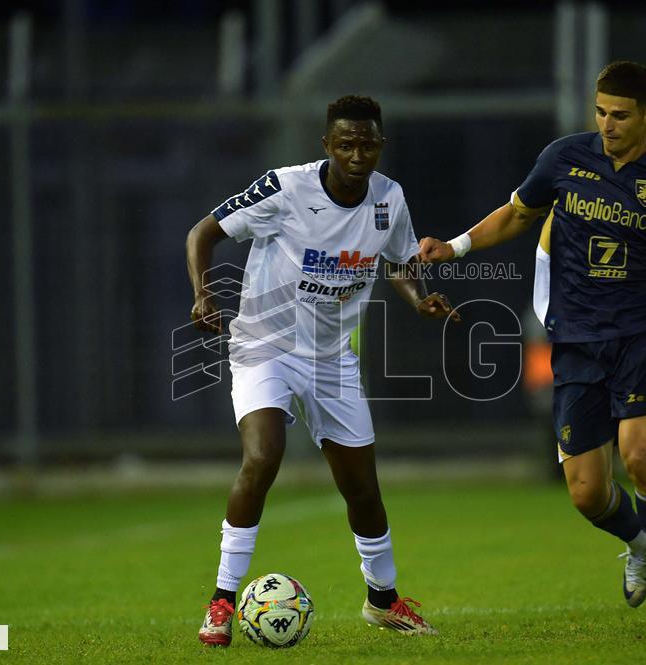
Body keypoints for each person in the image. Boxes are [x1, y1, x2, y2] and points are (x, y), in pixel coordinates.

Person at [419, 61, 646, 629]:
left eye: (620, 115)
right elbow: (517, 214)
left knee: (640, 456)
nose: (607, 124)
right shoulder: (563, 158)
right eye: (600, 111)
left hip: (643, 337)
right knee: (585, 492)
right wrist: (452, 248)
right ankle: (638, 543)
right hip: (576, 342)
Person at [187, 95, 455, 646]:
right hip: (266, 345)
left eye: (368, 144)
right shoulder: (285, 187)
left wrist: (416, 298)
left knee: (361, 488)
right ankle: (220, 604)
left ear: (380, 145)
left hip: (332, 360)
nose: (358, 154)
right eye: (346, 144)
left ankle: (383, 602)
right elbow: (202, 233)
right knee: (262, 458)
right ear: (327, 146)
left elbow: (399, 259)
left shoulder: (390, 198)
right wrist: (201, 294)